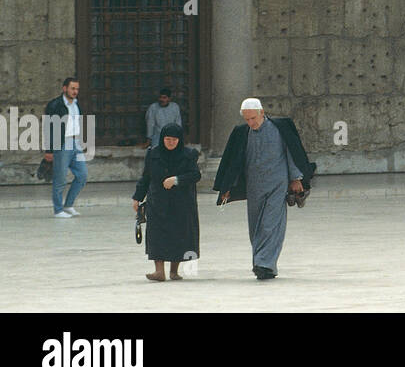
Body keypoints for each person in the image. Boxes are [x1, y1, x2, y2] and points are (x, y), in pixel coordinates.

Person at [212, 98, 315, 280]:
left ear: (262, 112)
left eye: (253, 118)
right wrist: (227, 186)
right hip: (254, 185)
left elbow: (291, 153)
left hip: (278, 183)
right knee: (256, 226)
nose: (251, 123)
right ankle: (263, 264)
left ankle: (264, 264)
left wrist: (295, 178)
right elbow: (233, 161)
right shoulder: (242, 132)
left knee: (271, 225)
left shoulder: (280, 128)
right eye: (247, 120)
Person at [132, 123, 201, 281]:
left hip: (181, 202)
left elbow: (195, 175)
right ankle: (159, 271)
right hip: (158, 201)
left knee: (178, 234)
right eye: (168, 139)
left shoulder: (189, 154)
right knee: (157, 234)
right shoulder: (153, 154)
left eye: (174, 140)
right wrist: (137, 197)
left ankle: (174, 271)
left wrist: (176, 180)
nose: (171, 142)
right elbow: (146, 177)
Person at [44, 78, 87, 218]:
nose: (75, 91)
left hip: (75, 142)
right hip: (62, 144)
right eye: (73, 88)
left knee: (82, 175)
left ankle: (68, 205)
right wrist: (49, 149)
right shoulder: (55, 105)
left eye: (77, 89)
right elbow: (48, 128)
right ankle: (58, 209)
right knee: (60, 178)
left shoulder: (76, 104)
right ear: (64, 88)